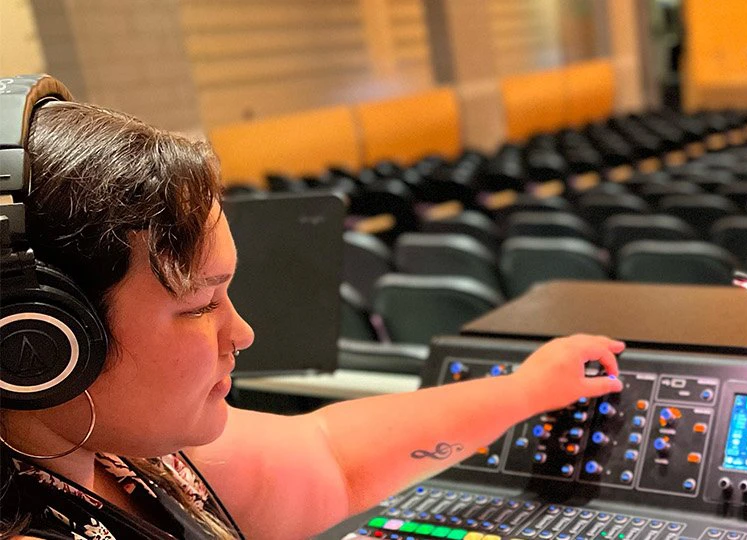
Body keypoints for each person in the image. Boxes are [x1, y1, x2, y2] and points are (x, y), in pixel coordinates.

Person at [0, 75, 626, 539]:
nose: (241, 332)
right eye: (200, 305)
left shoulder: (109, 448)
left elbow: (330, 457)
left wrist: (528, 389)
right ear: (39, 345)